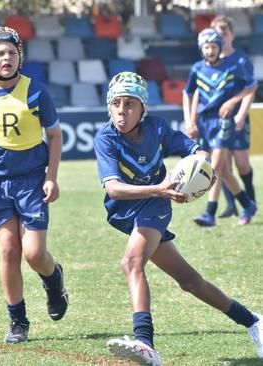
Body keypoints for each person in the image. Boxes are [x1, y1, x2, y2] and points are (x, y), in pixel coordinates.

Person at [94, 71, 263, 364]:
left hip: (156, 207)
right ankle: (253, 321)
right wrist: (159, 187)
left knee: (131, 262)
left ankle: (145, 343)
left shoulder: (157, 129)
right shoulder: (105, 138)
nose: (122, 110)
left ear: (142, 108)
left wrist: (204, 168)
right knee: (190, 281)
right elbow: (114, 189)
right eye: (116, 103)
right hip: (135, 206)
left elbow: (196, 150)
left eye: (130, 104)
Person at [0, 26, 68, 344]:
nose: (6, 58)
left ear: (20, 56)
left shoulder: (36, 92)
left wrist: (51, 177)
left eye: (11, 52)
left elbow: (54, 136)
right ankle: (18, 321)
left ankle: (54, 281)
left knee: (35, 254)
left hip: (32, 182)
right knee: (9, 251)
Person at [183, 28, 257, 227]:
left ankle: (210, 212)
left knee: (213, 167)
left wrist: (232, 102)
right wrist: (189, 119)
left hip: (224, 120)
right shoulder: (197, 69)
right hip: (204, 121)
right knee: (223, 170)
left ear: (219, 47)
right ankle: (247, 204)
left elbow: (251, 85)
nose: (210, 51)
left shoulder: (232, 66)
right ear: (201, 49)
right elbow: (188, 93)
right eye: (206, 47)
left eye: (213, 46)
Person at [211, 16, 257, 218]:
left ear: (232, 35)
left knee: (242, 164)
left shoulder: (241, 59)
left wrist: (241, 113)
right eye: (217, 34)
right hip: (218, 121)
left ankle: (251, 201)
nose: (220, 37)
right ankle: (234, 207)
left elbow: (250, 90)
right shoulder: (212, 61)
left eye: (224, 33)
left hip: (238, 119)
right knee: (223, 165)